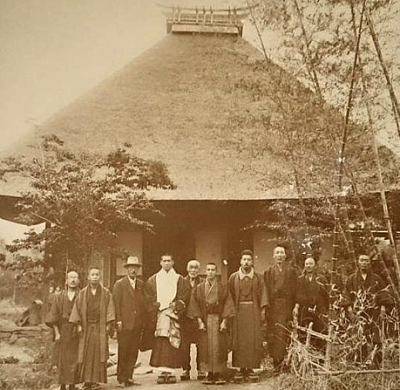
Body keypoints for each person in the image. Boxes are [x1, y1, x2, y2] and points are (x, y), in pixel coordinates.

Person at [188, 262, 236, 385]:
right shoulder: (199, 288)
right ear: (205, 271)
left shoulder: (222, 287)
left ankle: (219, 374)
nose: (210, 272)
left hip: (218, 320)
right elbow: (194, 305)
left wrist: (225, 321)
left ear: (216, 272)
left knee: (219, 346)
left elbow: (228, 304)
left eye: (213, 270)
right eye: (208, 270)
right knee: (205, 347)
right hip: (205, 320)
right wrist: (199, 321)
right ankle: (208, 374)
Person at [342, 253, 393, 366]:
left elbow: (383, 293)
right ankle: (360, 361)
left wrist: (383, 308)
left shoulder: (376, 278)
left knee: (376, 335)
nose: (364, 263)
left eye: (366, 261)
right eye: (362, 260)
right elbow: (345, 294)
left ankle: (376, 362)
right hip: (358, 312)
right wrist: (350, 309)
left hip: (374, 311)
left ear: (370, 263)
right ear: (358, 262)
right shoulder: (351, 279)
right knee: (360, 335)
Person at [145, 254, 188, 384]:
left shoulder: (179, 279)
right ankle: (162, 373)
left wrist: (177, 305)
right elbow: (148, 297)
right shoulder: (153, 279)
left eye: (169, 261)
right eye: (164, 261)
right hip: (160, 315)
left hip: (173, 314)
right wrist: (155, 305)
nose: (167, 263)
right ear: (160, 262)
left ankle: (172, 372)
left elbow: (185, 295)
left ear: (173, 262)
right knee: (161, 343)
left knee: (173, 341)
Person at [70, 267, 115, 390]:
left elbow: (110, 309)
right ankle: (86, 380)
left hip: (100, 327)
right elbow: (77, 310)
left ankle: (95, 380)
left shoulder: (105, 293)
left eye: (97, 274)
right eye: (92, 275)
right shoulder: (83, 293)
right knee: (85, 353)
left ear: (99, 276)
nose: (95, 277)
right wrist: (78, 325)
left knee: (98, 353)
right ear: (88, 277)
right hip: (86, 327)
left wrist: (108, 324)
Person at [228, 249, 268, 381]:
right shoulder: (234, 277)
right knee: (238, 340)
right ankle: (239, 368)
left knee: (252, 339)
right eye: (244, 259)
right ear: (240, 261)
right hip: (238, 312)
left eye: (249, 260)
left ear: (252, 262)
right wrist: (230, 312)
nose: (246, 262)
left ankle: (250, 368)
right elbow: (229, 297)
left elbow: (263, 294)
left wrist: (262, 311)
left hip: (253, 312)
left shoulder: (258, 277)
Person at [113, 256, 147, 387]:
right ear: (127, 269)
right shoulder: (119, 284)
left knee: (133, 351)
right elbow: (116, 304)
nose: (133, 270)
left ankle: (129, 376)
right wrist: (118, 321)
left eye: (136, 268)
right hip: (125, 323)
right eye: (131, 268)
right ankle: (121, 378)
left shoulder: (140, 284)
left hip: (137, 323)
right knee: (124, 350)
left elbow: (143, 303)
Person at [264, 245, 297, 372]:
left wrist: (295, 306)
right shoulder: (268, 272)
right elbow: (265, 291)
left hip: (287, 306)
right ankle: (276, 363)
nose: (279, 255)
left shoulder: (291, 271)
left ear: (285, 256)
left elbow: (295, 290)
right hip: (273, 307)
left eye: (281, 253)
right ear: (273, 256)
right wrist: (266, 307)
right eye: (277, 253)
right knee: (274, 335)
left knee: (285, 334)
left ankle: (285, 362)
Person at [46, 271, 80, 390]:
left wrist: (80, 327)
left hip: (77, 330)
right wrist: (57, 333)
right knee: (62, 358)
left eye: (75, 277)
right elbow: (53, 317)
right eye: (70, 277)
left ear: (78, 280)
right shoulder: (59, 296)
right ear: (66, 280)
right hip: (63, 329)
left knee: (75, 358)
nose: (73, 280)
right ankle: (62, 385)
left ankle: (72, 384)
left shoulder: (81, 295)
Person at [293, 256, 329, 350]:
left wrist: (324, 309)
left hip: (319, 310)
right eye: (306, 264)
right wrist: (297, 307)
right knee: (304, 333)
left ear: (315, 266)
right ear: (304, 266)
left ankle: (320, 357)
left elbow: (326, 296)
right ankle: (306, 357)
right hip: (305, 310)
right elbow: (297, 295)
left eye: (311, 264)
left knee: (320, 332)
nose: (308, 266)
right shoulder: (300, 279)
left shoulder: (321, 279)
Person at [180, 259, 204, 381]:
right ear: (187, 269)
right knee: (184, 345)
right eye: (191, 267)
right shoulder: (181, 282)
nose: (193, 270)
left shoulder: (203, 283)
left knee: (201, 344)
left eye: (196, 268)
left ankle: (201, 369)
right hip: (185, 319)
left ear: (198, 270)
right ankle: (185, 369)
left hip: (198, 318)